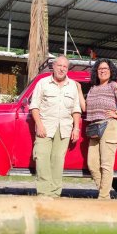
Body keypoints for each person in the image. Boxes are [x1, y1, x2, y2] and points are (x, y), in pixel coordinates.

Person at [29, 55, 81, 197]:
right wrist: (39, 125)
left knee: (58, 161)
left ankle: (55, 194)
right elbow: (34, 106)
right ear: (53, 66)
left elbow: (76, 109)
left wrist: (76, 128)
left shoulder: (72, 85)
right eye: (59, 65)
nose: (62, 69)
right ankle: (44, 193)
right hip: (45, 126)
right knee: (42, 158)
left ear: (67, 69)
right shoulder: (43, 83)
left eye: (65, 66)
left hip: (64, 128)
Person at [85, 59, 117, 199]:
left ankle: (103, 198)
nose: (102, 71)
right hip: (95, 128)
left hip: (109, 126)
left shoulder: (113, 85)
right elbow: (85, 108)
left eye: (105, 68)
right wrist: (77, 88)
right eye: (100, 69)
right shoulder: (93, 88)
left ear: (110, 71)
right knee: (92, 164)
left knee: (106, 165)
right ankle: (105, 196)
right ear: (96, 71)